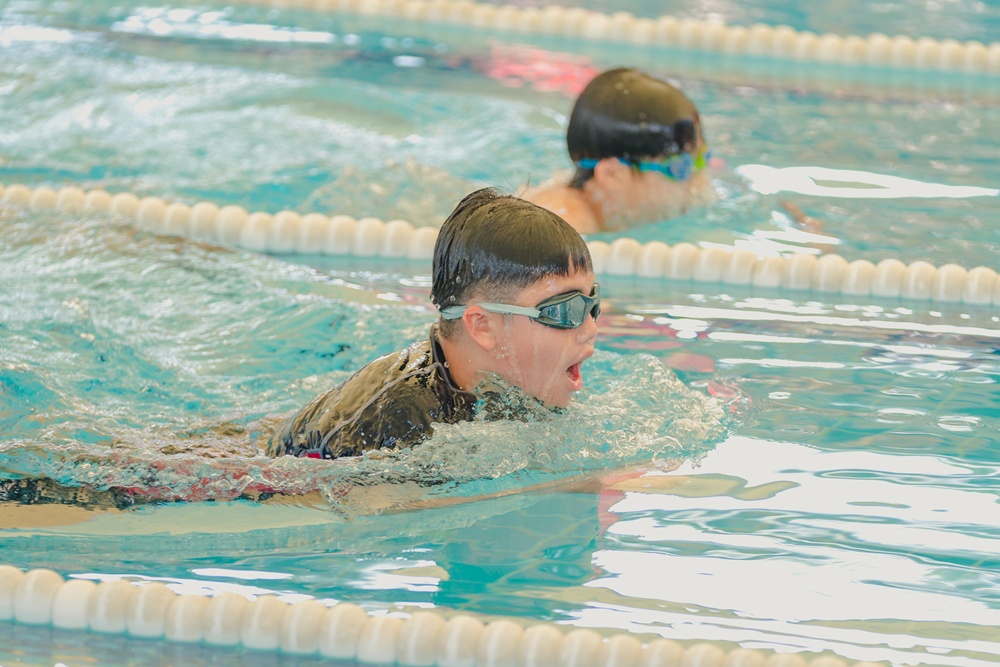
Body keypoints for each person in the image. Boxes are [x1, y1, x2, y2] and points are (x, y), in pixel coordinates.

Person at [267, 188, 600, 460]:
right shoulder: (400, 422)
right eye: (566, 310)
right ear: (483, 326)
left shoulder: (518, 386)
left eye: (592, 304)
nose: (590, 329)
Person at [525, 67, 713, 235]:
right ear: (613, 174)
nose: (698, 178)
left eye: (702, 159)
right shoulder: (567, 224)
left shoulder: (613, 210)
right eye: (680, 168)